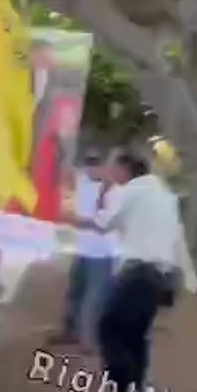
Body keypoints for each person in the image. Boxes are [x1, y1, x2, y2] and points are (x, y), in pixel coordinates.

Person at [63, 149, 191, 392]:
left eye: (112, 169)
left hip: (138, 272)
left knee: (110, 330)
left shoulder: (131, 191)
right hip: (161, 276)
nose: (109, 175)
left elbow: (103, 223)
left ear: (124, 169)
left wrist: (71, 214)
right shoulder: (162, 193)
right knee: (135, 337)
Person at [49, 148, 116, 352]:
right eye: (88, 162)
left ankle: (91, 340)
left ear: (107, 166)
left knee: (94, 298)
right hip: (83, 250)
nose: (91, 167)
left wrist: (74, 221)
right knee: (75, 293)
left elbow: (104, 225)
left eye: (96, 163)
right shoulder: (83, 179)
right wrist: (58, 153)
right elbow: (63, 174)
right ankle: (72, 332)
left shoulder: (114, 191)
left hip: (104, 254)